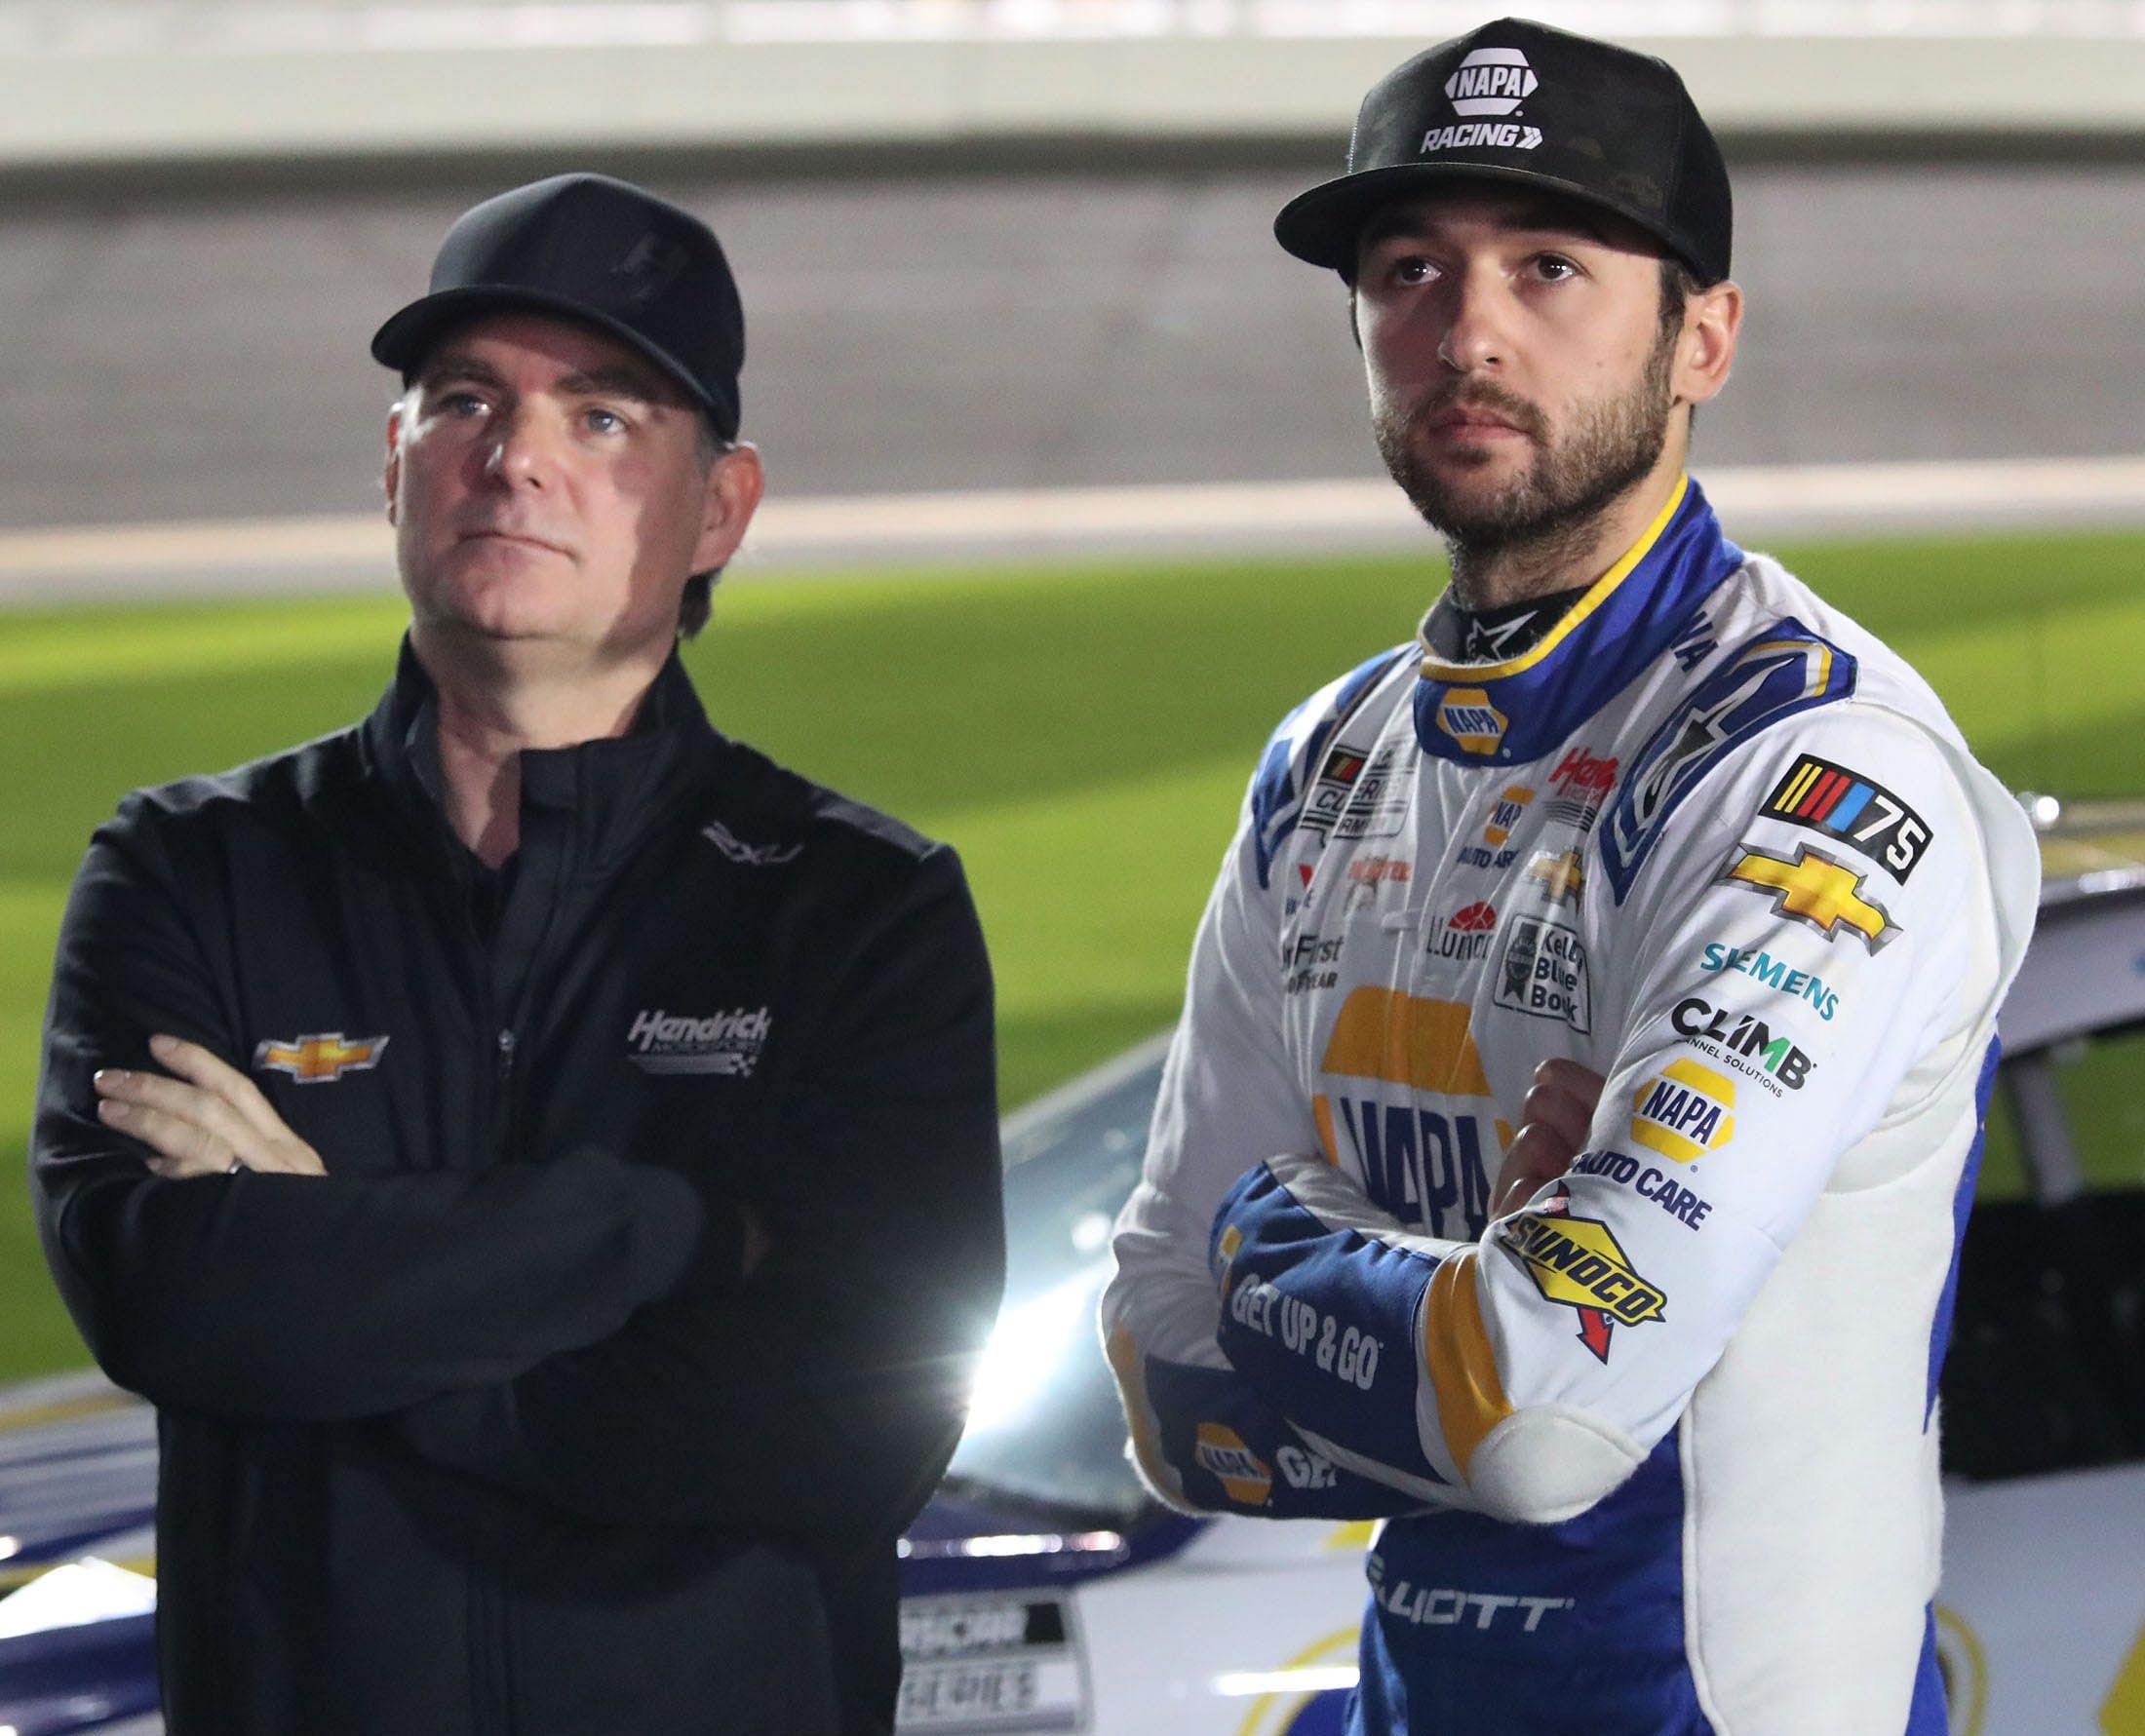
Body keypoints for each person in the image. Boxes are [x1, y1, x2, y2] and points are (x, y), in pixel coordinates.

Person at [1101, 20, 2039, 1733]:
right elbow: (1165, 1401)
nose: (1467, 332)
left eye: (1551, 267)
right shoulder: (1331, 765)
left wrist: (1272, 1244)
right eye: (1409, 271)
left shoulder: (1818, 773)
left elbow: (1538, 1416)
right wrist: (1449, 1306)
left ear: (1705, 338)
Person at [31, 173, 1005, 1736]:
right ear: (397, 462)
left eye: (604, 417)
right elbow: (174, 1305)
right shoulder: (191, 869)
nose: (516, 457)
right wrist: (664, 1232)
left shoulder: (854, 904)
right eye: (465, 399)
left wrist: (339, 1274)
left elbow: (848, 1422)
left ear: (722, 507)